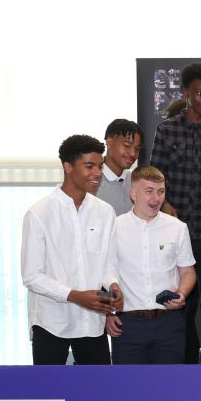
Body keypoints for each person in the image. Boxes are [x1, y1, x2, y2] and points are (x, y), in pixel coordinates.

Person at [149, 62, 201, 364]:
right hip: (177, 233)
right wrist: (166, 203)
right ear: (185, 93)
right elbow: (156, 175)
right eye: (199, 93)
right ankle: (183, 370)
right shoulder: (167, 130)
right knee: (180, 305)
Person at [21, 134, 123, 365]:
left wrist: (114, 285)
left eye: (99, 166)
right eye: (89, 166)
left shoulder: (105, 212)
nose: (97, 173)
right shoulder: (39, 213)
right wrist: (76, 296)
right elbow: (31, 276)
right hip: (50, 322)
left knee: (98, 394)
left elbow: (108, 265)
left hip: (91, 323)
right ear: (68, 167)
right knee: (50, 394)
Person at [106, 166, 196, 364]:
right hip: (127, 324)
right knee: (129, 390)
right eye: (149, 191)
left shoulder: (178, 228)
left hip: (169, 322)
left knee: (169, 390)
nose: (156, 199)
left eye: (161, 191)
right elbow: (106, 272)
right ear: (133, 193)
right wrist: (107, 313)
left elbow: (188, 271)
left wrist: (182, 293)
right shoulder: (114, 227)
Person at [95, 119, 144, 216]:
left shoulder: (136, 181)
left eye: (137, 149)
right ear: (109, 143)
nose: (133, 153)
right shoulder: (91, 182)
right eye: (127, 145)